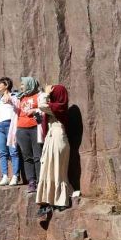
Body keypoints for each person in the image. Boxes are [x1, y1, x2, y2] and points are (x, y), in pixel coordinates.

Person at [36, 84, 73, 218]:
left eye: (53, 94)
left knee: (58, 170)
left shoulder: (60, 106)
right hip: (51, 138)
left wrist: (45, 93)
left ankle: (61, 200)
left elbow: (42, 105)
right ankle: (48, 200)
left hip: (58, 138)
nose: (51, 96)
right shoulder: (54, 107)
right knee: (47, 168)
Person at [10, 76, 46, 193]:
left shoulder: (39, 96)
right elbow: (10, 100)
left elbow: (45, 110)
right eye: (21, 85)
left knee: (37, 156)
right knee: (27, 156)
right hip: (21, 129)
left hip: (35, 128)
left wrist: (35, 110)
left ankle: (41, 181)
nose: (21, 86)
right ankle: (31, 181)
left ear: (30, 84)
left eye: (23, 84)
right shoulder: (20, 97)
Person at [0, 77, 21, 186]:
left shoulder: (15, 96)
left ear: (6, 84)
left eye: (0, 84)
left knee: (13, 151)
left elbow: (19, 106)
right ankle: (5, 176)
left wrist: (11, 100)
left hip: (11, 125)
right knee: (2, 152)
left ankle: (15, 176)